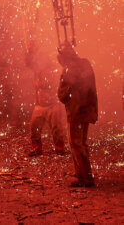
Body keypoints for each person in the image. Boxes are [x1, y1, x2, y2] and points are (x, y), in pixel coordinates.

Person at [57, 42, 98, 187]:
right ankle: (86, 175)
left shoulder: (68, 70)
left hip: (75, 112)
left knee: (75, 144)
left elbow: (61, 95)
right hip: (87, 110)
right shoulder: (86, 64)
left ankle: (84, 179)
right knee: (82, 143)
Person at [28, 69, 65, 156]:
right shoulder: (37, 72)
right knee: (34, 127)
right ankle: (36, 148)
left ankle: (59, 149)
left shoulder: (53, 72)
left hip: (52, 105)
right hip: (39, 105)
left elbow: (50, 84)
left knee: (56, 129)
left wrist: (39, 84)